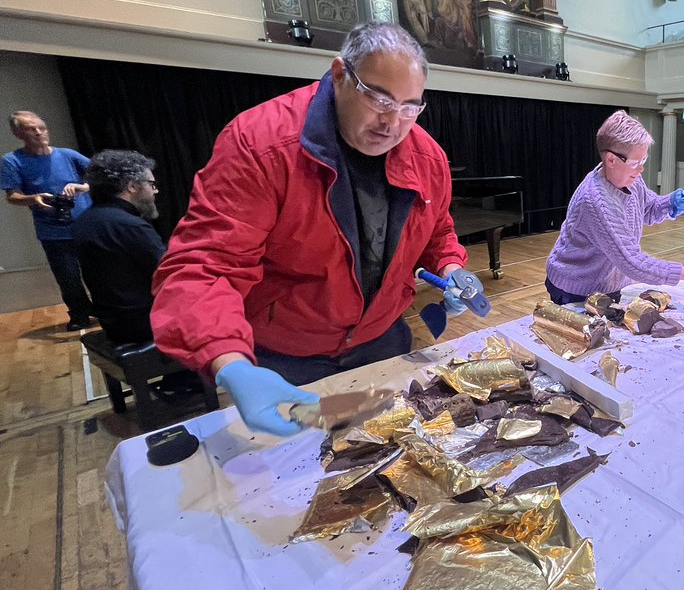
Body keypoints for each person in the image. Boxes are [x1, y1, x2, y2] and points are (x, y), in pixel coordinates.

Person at [151, 22, 470, 437]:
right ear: (339, 74)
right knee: (298, 477)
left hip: (382, 342)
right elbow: (205, 266)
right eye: (378, 99)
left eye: (410, 107)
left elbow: (437, 232)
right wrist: (229, 361)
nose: (391, 124)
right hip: (287, 358)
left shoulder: (428, 157)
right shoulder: (260, 143)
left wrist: (449, 267)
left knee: (385, 458)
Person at [544, 110, 684, 305]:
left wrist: (670, 203)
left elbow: (648, 207)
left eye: (644, 160)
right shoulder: (596, 203)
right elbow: (632, 263)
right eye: (636, 162)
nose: (641, 168)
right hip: (576, 288)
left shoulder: (630, 179)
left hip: (606, 282)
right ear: (611, 160)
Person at [2, 111, 94, 330]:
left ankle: (105, 309)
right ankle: (80, 314)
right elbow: (12, 196)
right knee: (68, 277)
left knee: (97, 272)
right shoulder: (12, 161)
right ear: (17, 133)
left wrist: (84, 187)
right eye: (30, 128)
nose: (38, 132)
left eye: (41, 127)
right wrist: (33, 198)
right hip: (52, 230)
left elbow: (103, 176)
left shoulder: (68, 155)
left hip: (86, 226)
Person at [72, 150, 164, 344]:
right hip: (145, 324)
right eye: (152, 185)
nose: (155, 191)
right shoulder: (128, 225)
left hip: (113, 322)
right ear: (132, 186)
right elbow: (167, 275)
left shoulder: (85, 220)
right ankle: (185, 375)